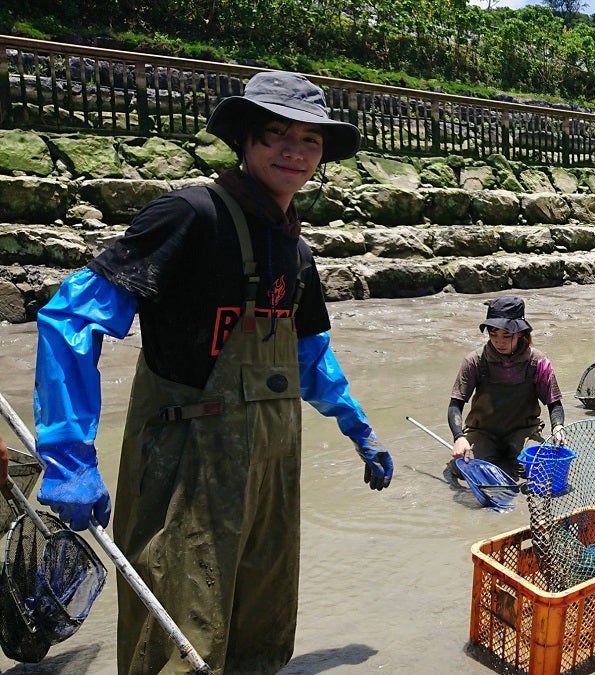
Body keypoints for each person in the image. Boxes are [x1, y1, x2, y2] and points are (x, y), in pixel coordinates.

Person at [33, 71, 394, 674]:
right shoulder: (188, 216)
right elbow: (70, 319)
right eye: (276, 135)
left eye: (309, 141)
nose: (293, 152)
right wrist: (69, 458)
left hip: (272, 468)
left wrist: (358, 430)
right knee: (177, 634)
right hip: (185, 466)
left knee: (260, 622)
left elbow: (309, 358)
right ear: (245, 142)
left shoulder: (296, 251)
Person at [449, 295, 565, 476]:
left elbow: (554, 403)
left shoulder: (538, 361)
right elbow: (455, 405)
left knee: (539, 469)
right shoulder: (474, 361)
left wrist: (558, 427)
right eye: (493, 335)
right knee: (461, 468)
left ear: (520, 333)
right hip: (483, 432)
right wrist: (459, 438)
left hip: (523, 431)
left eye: (506, 336)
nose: (499, 342)